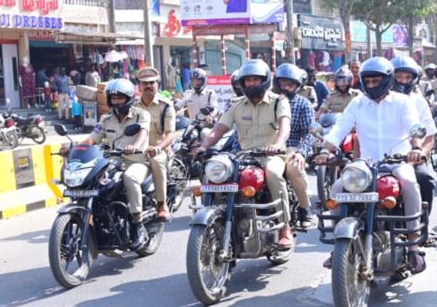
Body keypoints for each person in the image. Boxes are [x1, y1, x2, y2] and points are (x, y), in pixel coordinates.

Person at [317, 57, 427, 273]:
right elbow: (339, 130)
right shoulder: (358, 103)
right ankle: (340, 245)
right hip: (365, 165)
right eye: (367, 81)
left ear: (387, 80)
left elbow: (414, 126)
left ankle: (413, 245)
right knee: (337, 189)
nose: (371, 85)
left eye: (376, 81)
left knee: (409, 184)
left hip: (397, 161)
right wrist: (324, 151)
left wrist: (416, 148)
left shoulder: (402, 102)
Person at [193, 59, 294, 248]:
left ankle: (284, 227)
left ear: (264, 80)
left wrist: (278, 144)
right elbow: (219, 129)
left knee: (273, 174)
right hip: (243, 157)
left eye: (255, 79)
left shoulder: (278, 101)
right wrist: (203, 147)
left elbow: (284, 126)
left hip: (271, 155)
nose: (251, 83)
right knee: (216, 175)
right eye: (247, 80)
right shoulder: (236, 104)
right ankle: (217, 219)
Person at [84, 79, 151, 250]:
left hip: (137, 161)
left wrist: (135, 146)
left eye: (120, 98)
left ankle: (138, 224)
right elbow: (93, 138)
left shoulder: (141, 115)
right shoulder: (106, 119)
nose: (116, 102)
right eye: (113, 99)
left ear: (128, 98)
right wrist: (76, 148)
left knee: (129, 177)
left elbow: (143, 133)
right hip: (113, 162)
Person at [390, 56, 437, 247]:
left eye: (407, 78)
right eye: (398, 77)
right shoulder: (373, 100)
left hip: (410, 158)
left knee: (425, 180)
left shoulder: (419, 102)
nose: (402, 81)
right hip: (378, 158)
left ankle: (422, 225)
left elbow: (429, 136)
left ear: (414, 80)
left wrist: (421, 153)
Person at [273, 63, 316, 229]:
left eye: (290, 84)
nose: (285, 88)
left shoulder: (303, 104)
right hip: (265, 149)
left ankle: (305, 208)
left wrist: (301, 152)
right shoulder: (268, 102)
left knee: (295, 168)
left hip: (291, 149)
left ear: (297, 86)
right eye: (282, 84)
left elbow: (310, 133)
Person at [134, 67, 176, 222]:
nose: (148, 86)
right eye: (144, 83)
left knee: (156, 161)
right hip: (137, 150)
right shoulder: (133, 106)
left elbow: (170, 134)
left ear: (158, 84)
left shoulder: (165, 106)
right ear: (139, 86)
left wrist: (158, 148)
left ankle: (161, 204)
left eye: (152, 83)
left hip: (160, 149)